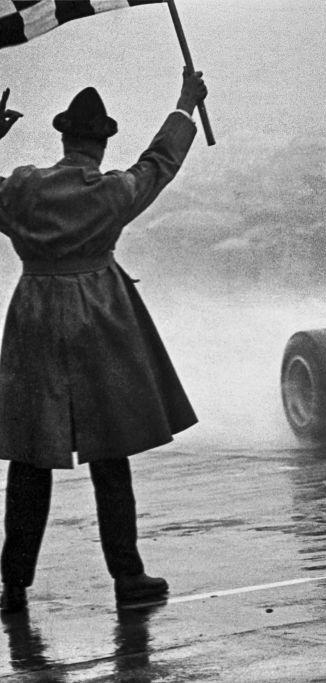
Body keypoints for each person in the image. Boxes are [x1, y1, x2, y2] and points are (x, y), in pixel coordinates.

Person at [0, 69, 208, 613]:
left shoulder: (21, 187)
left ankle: (14, 583)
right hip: (98, 320)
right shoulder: (113, 193)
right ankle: (128, 576)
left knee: (29, 458)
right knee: (109, 452)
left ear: (65, 139)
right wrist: (184, 105)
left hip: (33, 319)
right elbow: (158, 164)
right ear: (101, 143)